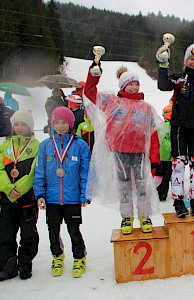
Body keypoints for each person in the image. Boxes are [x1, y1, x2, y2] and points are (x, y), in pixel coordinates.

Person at [85, 64, 163, 234]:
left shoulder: (146, 107)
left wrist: (155, 158)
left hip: (140, 153)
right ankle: (127, 217)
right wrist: (94, 75)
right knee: (124, 185)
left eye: (137, 84)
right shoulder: (112, 101)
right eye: (131, 84)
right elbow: (90, 93)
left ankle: (144, 216)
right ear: (122, 85)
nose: (134, 87)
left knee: (143, 186)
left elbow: (153, 135)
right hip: (120, 151)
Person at [156, 42, 194, 217]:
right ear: (186, 60)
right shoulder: (179, 79)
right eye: (191, 58)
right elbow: (162, 85)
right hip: (179, 128)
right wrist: (163, 64)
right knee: (178, 164)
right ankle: (178, 201)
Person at [34, 107, 91, 278]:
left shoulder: (80, 145)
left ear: (70, 124)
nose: (60, 126)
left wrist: (85, 194)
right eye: (57, 122)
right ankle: (57, 256)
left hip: (72, 197)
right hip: (51, 197)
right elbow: (40, 172)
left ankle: (79, 257)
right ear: (52, 124)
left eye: (64, 122)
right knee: (53, 230)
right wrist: (40, 194)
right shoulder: (45, 145)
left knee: (74, 229)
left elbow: (85, 171)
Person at [0, 110, 39, 281]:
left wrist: (19, 189)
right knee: (6, 231)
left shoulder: (36, 145)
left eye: (23, 124)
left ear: (30, 126)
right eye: (16, 124)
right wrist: (8, 188)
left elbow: (34, 172)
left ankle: (25, 263)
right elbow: (0, 169)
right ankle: (8, 265)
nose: (20, 128)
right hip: (7, 197)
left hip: (26, 198)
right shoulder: (5, 145)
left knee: (28, 232)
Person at [156, 104, 173, 202]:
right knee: (164, 177)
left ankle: (161, 194)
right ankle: (160, 195)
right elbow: (162, 141)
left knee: (164, 176)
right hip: (164, 157)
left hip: (167, 157)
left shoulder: (168, 126)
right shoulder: (165, 126)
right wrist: (173, 148)